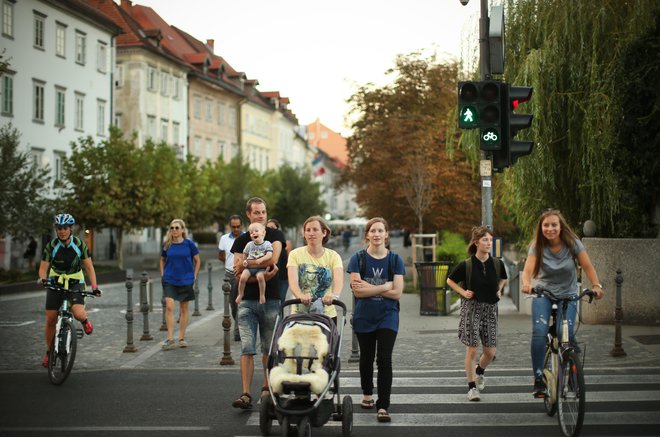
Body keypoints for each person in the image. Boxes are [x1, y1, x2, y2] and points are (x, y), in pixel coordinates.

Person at [521, 209, 605, 397]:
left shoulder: (572, 243)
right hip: (544, 293)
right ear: (541, 227)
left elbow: (588, 266)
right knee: (539, 332)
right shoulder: (537, 246)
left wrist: (596, 285)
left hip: (568, 295)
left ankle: (573, 368)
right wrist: (526, 284)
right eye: (546, 225)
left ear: (560, 227)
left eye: (554, 225)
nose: (550, 228)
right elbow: (527, 270)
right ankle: (538, 379)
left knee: (563, 332)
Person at [346, 217, 405, 423]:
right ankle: (367, 393)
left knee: (384, 359)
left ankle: (383, 405)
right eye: (373, 231)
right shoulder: (358, 259)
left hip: (388, 316)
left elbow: (398, 293)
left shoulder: (395, 260)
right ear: (367, 235)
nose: (377, 234)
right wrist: (384, 286)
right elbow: (358, 293)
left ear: (386, 234)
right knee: (366, 357)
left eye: (381, 231)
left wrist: (369, 288)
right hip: (364, 316)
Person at [230, 197, 285, 410]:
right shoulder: (241, 240)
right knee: (246, 347)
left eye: (263, 212)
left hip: (270, 299)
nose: (261, 216)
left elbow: (273, 260)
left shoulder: (275, 235)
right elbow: (236, 272)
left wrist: (246, 264)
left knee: (268, 347)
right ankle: (245, 393)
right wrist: (252, 270)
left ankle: (265, 388)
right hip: (246, 301)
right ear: (248, 214)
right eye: (256, 213)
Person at [446, 226, 508, 402]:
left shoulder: (497, 263)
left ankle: (480, 371)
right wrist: (463, 292)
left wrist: (499, 290)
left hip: (490, 310)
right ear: (476, 242)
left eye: (490, 240)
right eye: (485, 240)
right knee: (472, 349)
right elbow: (450, 280)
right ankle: (472, 388)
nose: (489, 243)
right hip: (471, 308)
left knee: (490, 352)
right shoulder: (466, 264)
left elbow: (503, 278)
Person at [38, 213, 101, 368]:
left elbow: (89, 267)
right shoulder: (51, 246)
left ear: (71, 229)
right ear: (56, 229)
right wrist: (43, 279)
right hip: (56, 281)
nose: (62, 231)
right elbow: (43, 269)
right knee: (51, 318)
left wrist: (94, 287)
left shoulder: (80, 245)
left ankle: (85, 321)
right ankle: (49, 352)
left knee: (78, 313)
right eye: (59, 228)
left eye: (65, 228)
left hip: (75, 282)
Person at [287, 216, 343, 323]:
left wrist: (333, 295)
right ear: (304, 234)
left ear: (324, 233)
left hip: (326, 314)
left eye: (315, 229)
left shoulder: (333, 256)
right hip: (300, 314)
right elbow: (293, 282)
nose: (311, 233)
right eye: (308, 230)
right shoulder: (295, 254)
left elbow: (339, 281)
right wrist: (301, 296)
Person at [160, 219, 201, 350]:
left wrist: (194, 275)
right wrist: (163, 274)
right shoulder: (167, 245)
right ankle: (170, 338)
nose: (174, 230)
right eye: (172, 228)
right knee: (170, 306)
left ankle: (182, 338)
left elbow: (197, 261)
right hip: (169, 280)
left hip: (186, 280)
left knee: (183, 309)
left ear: (182, 230)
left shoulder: (189, 244)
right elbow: (162, 260)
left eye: (177, 228)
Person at [218, 215, 244, 341]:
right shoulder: (224, 239)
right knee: (233, 305)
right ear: (230, 226)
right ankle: (238, 323)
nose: (236, 229)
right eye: (233, 227)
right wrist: (229, 263)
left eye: (238, 226)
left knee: (241, 302)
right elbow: (221, 255)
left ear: (242, 226)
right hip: (229, 275)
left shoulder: (247, 237)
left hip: (244, 274)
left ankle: (238, 331)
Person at [237, 222, 273, 305]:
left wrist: (262, 259)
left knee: (260, 277)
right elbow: (245, 254)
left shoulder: (267, 244)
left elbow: (269, 254)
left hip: (261, 268)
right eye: (251, 232)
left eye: (256, 231)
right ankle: (240, 294)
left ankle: (262, 295)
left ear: (263, 233)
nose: (254, 233)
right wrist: (244, 261)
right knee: (242, 278)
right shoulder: (249, 244)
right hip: (249, 268)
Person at [266, 218, 292, 304]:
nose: (270, 230)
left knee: (281, 300)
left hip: (283, 276)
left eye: (272, 227)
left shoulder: (286, 242)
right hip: (271, 276)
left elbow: (290, 258)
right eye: (268, 227)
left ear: (278, 228)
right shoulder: (264, 243)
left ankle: (280, 317)